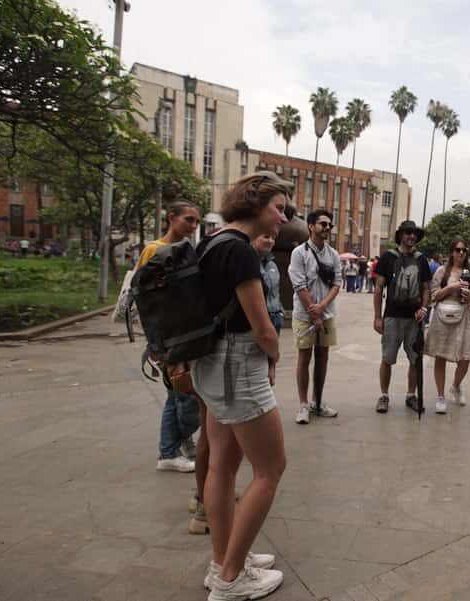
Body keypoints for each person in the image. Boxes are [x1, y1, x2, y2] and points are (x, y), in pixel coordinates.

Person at [191, 172, 289, 600]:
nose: (282, 218)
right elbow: (262, 328)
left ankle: (223, 562)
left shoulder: (212, 241)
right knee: (270, 469)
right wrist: (274, 356)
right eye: (278, 208)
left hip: (210, 363)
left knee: (222, 465)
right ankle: (231, 579)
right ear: (255, 204)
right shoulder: (241, 252)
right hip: (239, 365)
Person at [135, 200, 203, 474]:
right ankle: (168, 452)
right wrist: (155, 343)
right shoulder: (154, 250)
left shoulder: (188, 251)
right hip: (167, 338)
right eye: (189, 219)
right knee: (182, 395)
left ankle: (179, 444)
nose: (193, 226)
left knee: (179, 394)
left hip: (184, 334)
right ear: (171, 217)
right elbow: (144, 299)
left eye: (196, 221)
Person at [287, 209, 341, 425]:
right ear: (311, 226)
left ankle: (317, 402)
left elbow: (337, 283)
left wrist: (323, 307)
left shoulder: (333, 255)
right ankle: (303, 404)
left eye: (329, 225)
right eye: (323, 224)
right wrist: (314, 311)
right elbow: (299, 285)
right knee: (304, 357)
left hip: (327, 314)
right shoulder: (299, 253)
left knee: (323, 357)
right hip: (304, 315)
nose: (327, 228)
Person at [373, 221, 432, 414]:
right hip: (392, 316)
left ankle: (411, 395)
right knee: (387, 358)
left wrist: (424, 308)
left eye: (414, 233)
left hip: (415, 319)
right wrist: (377, 317)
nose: (411, 236)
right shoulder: (388, 257)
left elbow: (426, 288)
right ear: (400, 235)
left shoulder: (421, 260)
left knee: (415, 359)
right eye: (407, 233)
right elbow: (379, 288)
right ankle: (384, 395)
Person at [425, 239, 470, 414]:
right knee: (440, 356)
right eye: (457, 249)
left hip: (463, 317)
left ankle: (455, 386)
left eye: (464, 250)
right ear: (451, 252)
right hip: (442, 318)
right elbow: (434, 295)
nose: (461, 252)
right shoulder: (442, 271)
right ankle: (440, 396)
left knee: (465, 357)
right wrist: (452, 287)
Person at [255, 232, 284, 335]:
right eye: (266, 237)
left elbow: (275, 291)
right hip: (259, 319)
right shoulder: (249, 262)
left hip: (276, 317)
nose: (271, 241)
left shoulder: (272, 265)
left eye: (273, 238)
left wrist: (280, 312)